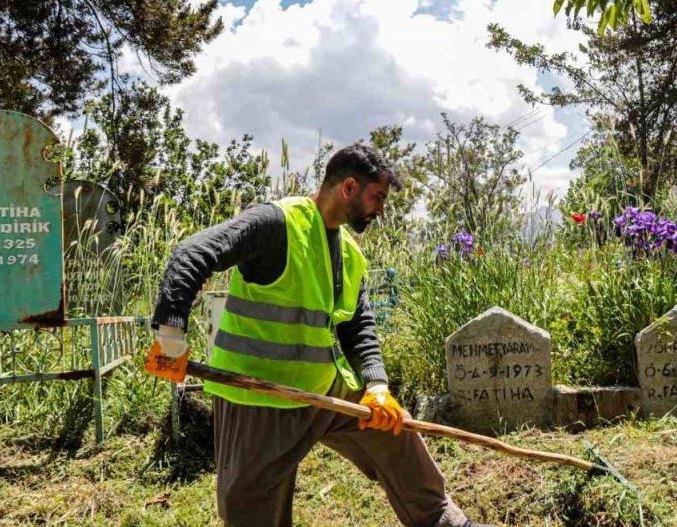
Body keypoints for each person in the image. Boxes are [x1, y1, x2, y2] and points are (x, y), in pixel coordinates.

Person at [147, 143, 489, 527]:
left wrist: (377, 386)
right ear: (349, 187)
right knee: (252, 509)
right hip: (259, 398)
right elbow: (191, 254)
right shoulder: (276, 223)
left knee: (395, 432)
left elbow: (358, 326)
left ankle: (446, 522)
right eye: (377, 197)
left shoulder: (350, 253)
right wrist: (171, 338)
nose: (381, 210)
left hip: (323, 389)